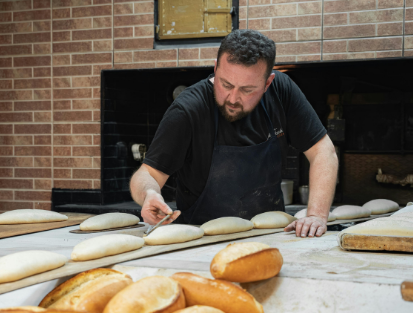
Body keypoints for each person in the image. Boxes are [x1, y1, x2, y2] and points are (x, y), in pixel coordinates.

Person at [129, 29, 338, 238]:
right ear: (216, 68)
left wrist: (317, 215)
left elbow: (323, 151)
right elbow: (147, 174)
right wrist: (150, 193)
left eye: (247, 90)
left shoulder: (281, 92)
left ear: (267, 83)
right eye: (225, 84)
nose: (232, 98)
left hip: (271, 235)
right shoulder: (188, 110)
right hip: (201, 240)